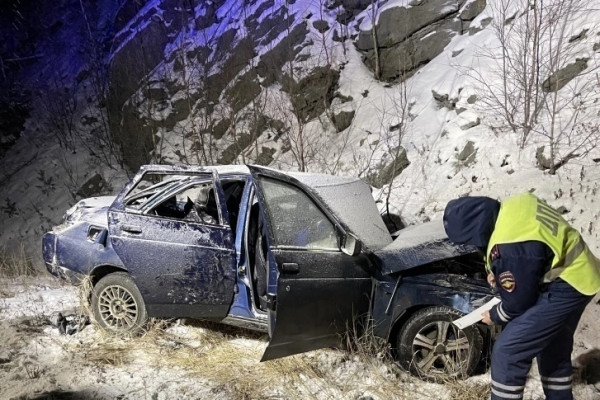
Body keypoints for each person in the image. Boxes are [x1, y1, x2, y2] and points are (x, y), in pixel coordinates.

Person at [443, 192, 600, 400]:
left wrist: (494, 315)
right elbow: (531, 257)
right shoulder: (514, 207)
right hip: (579, 273)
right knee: (552, 346)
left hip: (567, 285)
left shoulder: (508, 245)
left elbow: (518, 303)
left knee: (509, 350)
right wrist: (501, 272)